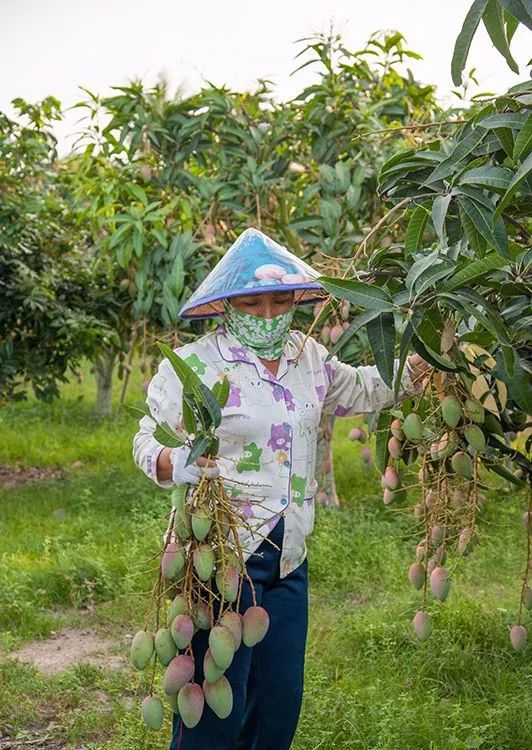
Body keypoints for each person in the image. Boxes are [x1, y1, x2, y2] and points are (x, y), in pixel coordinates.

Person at [132, 227, 429, 750]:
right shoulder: (196, 365)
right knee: (214, 712)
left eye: (280, 299)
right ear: (226, 304)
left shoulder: (308, 356)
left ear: (296, 299)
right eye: (251, 301)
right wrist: (171, 461)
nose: (268, 314)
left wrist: (423, 362)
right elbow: (145, 440)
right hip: (221, 559)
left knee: (278, 705)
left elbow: (362, 387)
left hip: (288, 558)